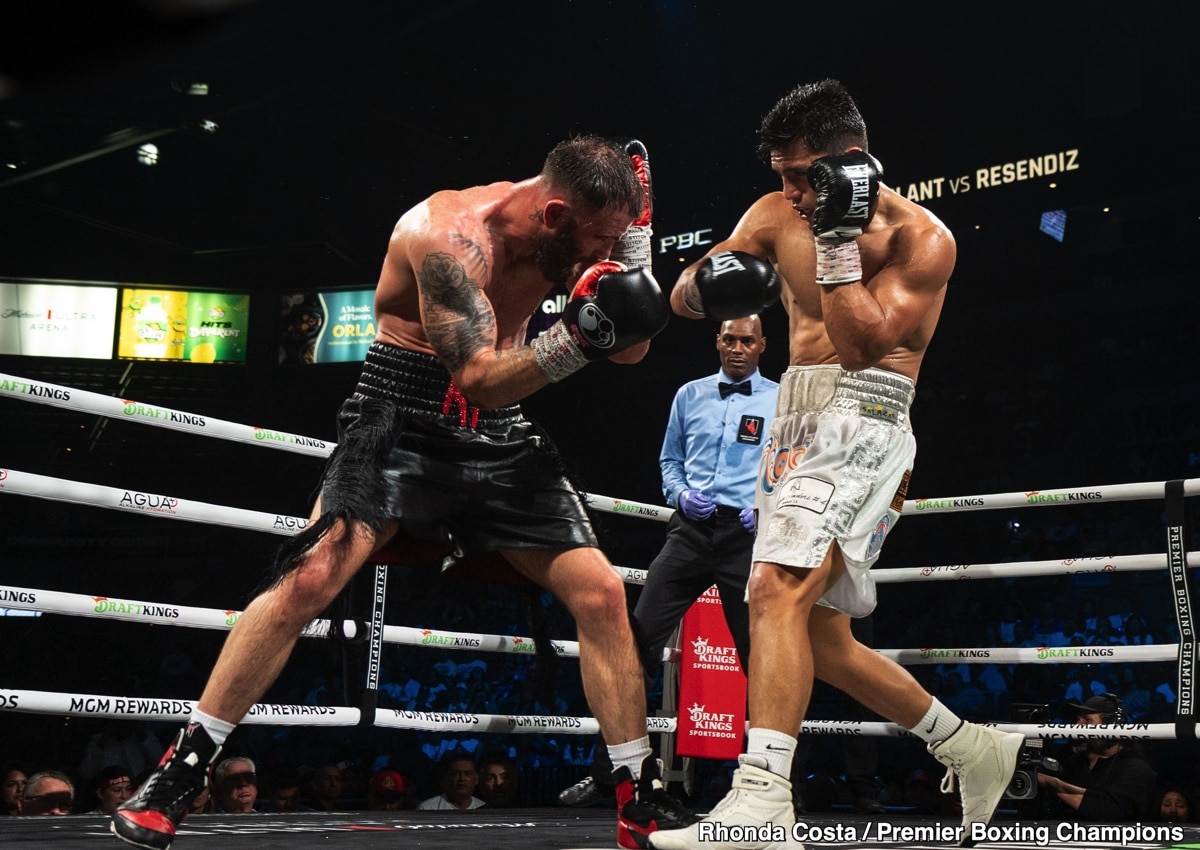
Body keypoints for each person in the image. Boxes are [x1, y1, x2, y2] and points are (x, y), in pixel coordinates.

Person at [112, 134, 688, 850]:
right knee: (311, 574)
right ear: (554, 214)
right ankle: (178, 772)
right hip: (402, 414)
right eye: (598, 240)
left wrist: (635, 260)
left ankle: (638, 798)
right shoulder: (445, 236)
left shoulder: (572, 236)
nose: (598, 256)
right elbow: (475, 374)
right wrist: (576, 336)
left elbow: (629, 347)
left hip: (501, 430)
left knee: (601, 592)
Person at [649, 79, 1023, 850]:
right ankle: (973, 748)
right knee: (821, 639)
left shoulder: (924, 239)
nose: (788, 192)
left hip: (867, 414)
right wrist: (708, 285)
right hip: (793, 417)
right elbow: (685, 298)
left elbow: (861, 347)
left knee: (772, 587)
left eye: (802, 175)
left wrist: (834, 238)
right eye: (781, 174)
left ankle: (761, 802)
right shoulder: (771, 211)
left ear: (851, 162)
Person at [560, 314, 778, 806]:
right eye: (730, 339)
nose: (738, 348)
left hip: (747, 537)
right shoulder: (689, 395)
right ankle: (612, 773)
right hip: (689, 533)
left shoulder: (782, 400)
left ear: (762, 345)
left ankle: (776, 783)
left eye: (748, 340)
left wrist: (766, 505)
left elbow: (791, 466)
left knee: (762, 658)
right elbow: (669, 462)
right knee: (633, 641)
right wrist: (681, 495)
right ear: (717, 341)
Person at [1036, 694, 1156, 821]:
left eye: (1087, 720)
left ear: (1112, 726)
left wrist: (1055, 785)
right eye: (1078, 719)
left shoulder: (1136, 769)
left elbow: (1112, 812)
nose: (1078, 726)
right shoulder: (1074, 763)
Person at [416, 753, 485, 811]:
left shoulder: (483, 808)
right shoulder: (428, 808)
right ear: (446, 778)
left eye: (467, 773)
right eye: (456, 774)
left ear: (476, 779)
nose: (462, 778)